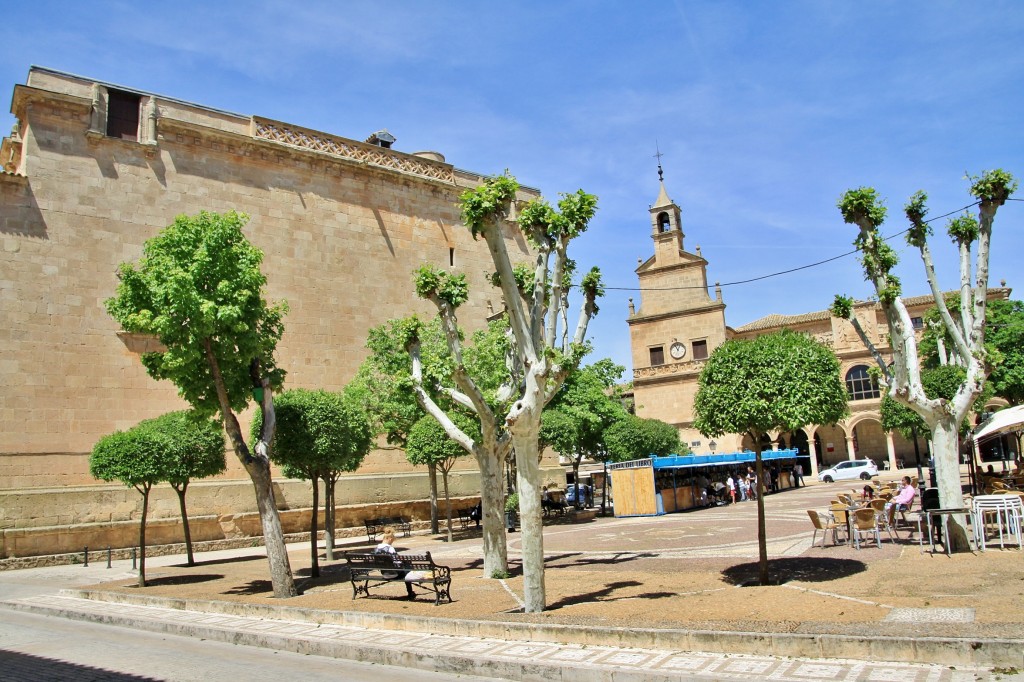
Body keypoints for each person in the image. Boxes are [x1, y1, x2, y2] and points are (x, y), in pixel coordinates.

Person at [374, 527, 416, 599]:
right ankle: (410, 592)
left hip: (384, 573)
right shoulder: (390, 548)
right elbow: (397, 562)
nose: (392, 542)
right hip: (394, 574)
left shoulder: (376, 548)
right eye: (392, 540)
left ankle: (410, 592)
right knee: (407, 568)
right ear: (390, 538)